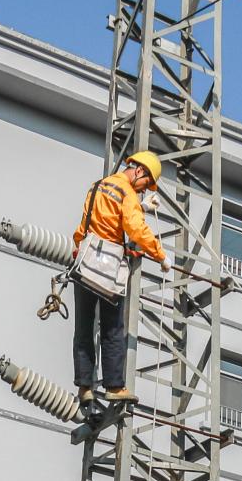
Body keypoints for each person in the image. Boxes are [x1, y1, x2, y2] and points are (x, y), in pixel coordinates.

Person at [69, 150, 167, 407]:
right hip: (107, 272)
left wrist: (142, 206)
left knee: (84, 327)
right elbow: (135, 228)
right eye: (146, 184)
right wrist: (160, 255)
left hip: (85, 263)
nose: (144, 189)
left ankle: (85, 387)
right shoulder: (127, 193)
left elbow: (87, 227)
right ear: (140, 172)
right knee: (113, 328)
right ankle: (114, 386)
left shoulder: (98, 185)